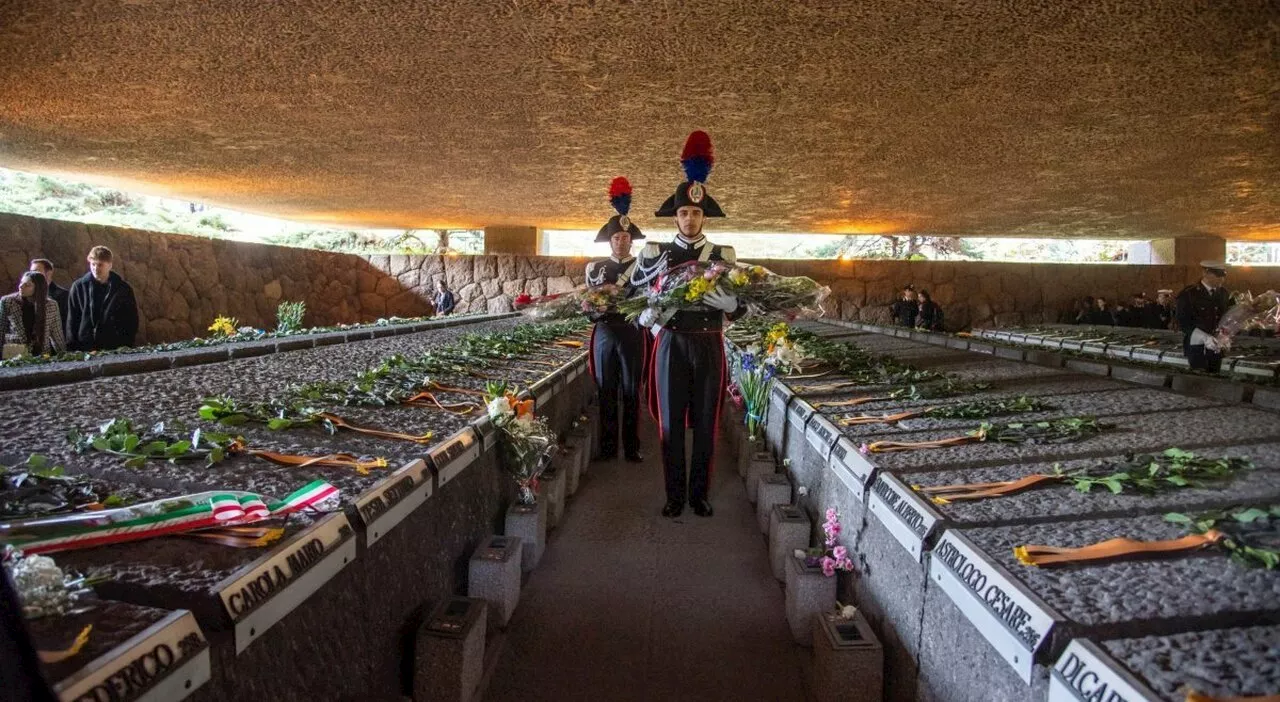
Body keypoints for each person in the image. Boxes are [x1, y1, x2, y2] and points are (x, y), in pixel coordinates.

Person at [632, 131, 744, 519]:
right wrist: (648, 320)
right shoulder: (654, 254)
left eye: (697, 213)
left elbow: (741, 306)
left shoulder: (723, 255)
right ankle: (674, 495)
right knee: (670, 425)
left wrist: (732, 305)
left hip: (709, 342)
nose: (690, 218)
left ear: (703, 215)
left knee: (707, 424)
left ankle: (700, 494)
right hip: (671, 344)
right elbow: (635, 298)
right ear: (675, 215)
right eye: (684, 212)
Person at [586, 177, 646, 463]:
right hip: (605, 332)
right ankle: (608, 449)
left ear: (630, 240)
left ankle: (632, 448)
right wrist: (594, 308)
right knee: (605, 390)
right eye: (616, 238)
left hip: (632, 332)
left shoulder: (643, 268)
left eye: (625, 238)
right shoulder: (595, 268)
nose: (621, 242)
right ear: (609, 241)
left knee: (632, 391)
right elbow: (587, 307)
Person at [66, 246, 138, 352]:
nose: (95, 268)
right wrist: (72, 348)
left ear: (109, 265)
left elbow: (131, 320)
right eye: (93, 264)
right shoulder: (78, 287)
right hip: (85, 346)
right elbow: (72, 319)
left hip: (114, 346)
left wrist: (125, 345)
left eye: (100, 265)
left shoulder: (123, 289)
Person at [1176, 261, 1232, 372]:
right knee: (1198, 381)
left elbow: (1227, 316)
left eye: (1223, 275)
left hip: (1217, 346)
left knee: (1215, 378)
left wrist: (1225, 335)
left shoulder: (1223, 293)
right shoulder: (1189, 294)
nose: (1222, 279)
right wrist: (1204, 337)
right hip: (1197, 347)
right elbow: (1183, 323)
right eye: (1218, 275)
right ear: (1206, 273)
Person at [0, 271, 66, 358]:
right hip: (15, 355)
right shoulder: (8, 302)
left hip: (42, 356)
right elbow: (1, 330)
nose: (21, 286)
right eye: (21, 283)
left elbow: (57, 335)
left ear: (38, 288)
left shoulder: (51, 305)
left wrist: (64, 357)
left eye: (27, 285)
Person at [28, 259, 68, 327]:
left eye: (36, 272)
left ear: (49, 273)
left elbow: (64, 323)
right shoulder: (27, 293)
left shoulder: (63, 295)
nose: (31, 275)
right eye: (30, 272)